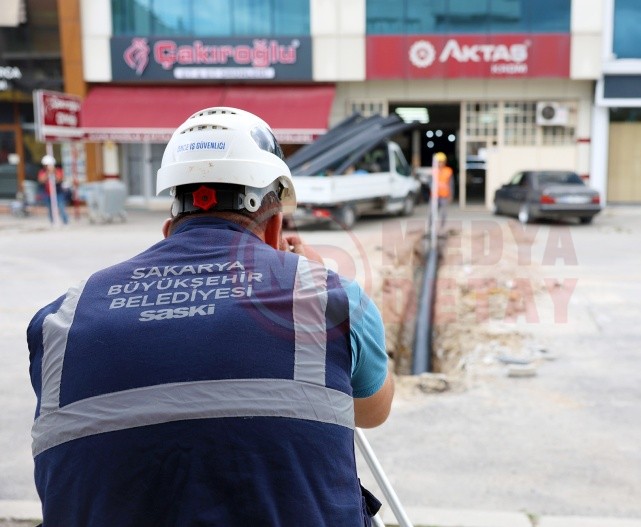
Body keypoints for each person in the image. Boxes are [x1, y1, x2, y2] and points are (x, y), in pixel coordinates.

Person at [26, 107, 394, 526]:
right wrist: (310, 276)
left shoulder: (61, 320)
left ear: (168, 230)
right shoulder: (331, 298)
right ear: (275, 230)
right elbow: (373, 411)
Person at [37, 155, 69, 225]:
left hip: (58, 192)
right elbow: (41, 180)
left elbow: (60, 179)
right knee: (50, 209)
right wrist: (48, 173)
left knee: (61, 207)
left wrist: (53, 172)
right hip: (47, 193)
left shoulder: (58, 170)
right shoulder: (42, 172)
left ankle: (65, 221)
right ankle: (52, 221)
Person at [434, 152, 454, 228]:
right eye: (439, 162)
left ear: (444, 162)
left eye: (441, 162)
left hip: (444, 196)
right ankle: (430, 228)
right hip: (435, 196)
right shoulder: (433, 171)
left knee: (443, 213)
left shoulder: (448, 171)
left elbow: (451, 184)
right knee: (432, 213)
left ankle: (441, 227)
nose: (440, 163)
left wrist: (450, 195)